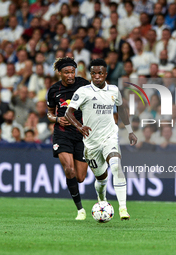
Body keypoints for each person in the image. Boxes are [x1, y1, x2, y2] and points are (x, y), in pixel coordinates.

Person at [65, 58, 137, 220]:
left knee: (116, 166)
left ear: (105, 74)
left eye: (100, 73)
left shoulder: (113, 90)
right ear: (91, 74)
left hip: (110, 137)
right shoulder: (83, 92)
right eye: (94, 73)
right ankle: (102, 200)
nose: (97, 76)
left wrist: (130, 130)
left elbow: (122, 109)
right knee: (102, 179)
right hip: (91, 143)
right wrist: (79, 126)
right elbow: (68, 113)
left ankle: (123, 209)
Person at [46, 57, 90, 220]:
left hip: (81, 134)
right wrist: (57, 119)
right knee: (69, 169)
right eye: (66, 72)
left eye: (72, 71)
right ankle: (80, 210)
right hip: (62, 133)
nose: (70, 75)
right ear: (60, 73)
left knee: (80, 177)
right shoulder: (54, 90)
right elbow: (50, 112)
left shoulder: (84, 84)